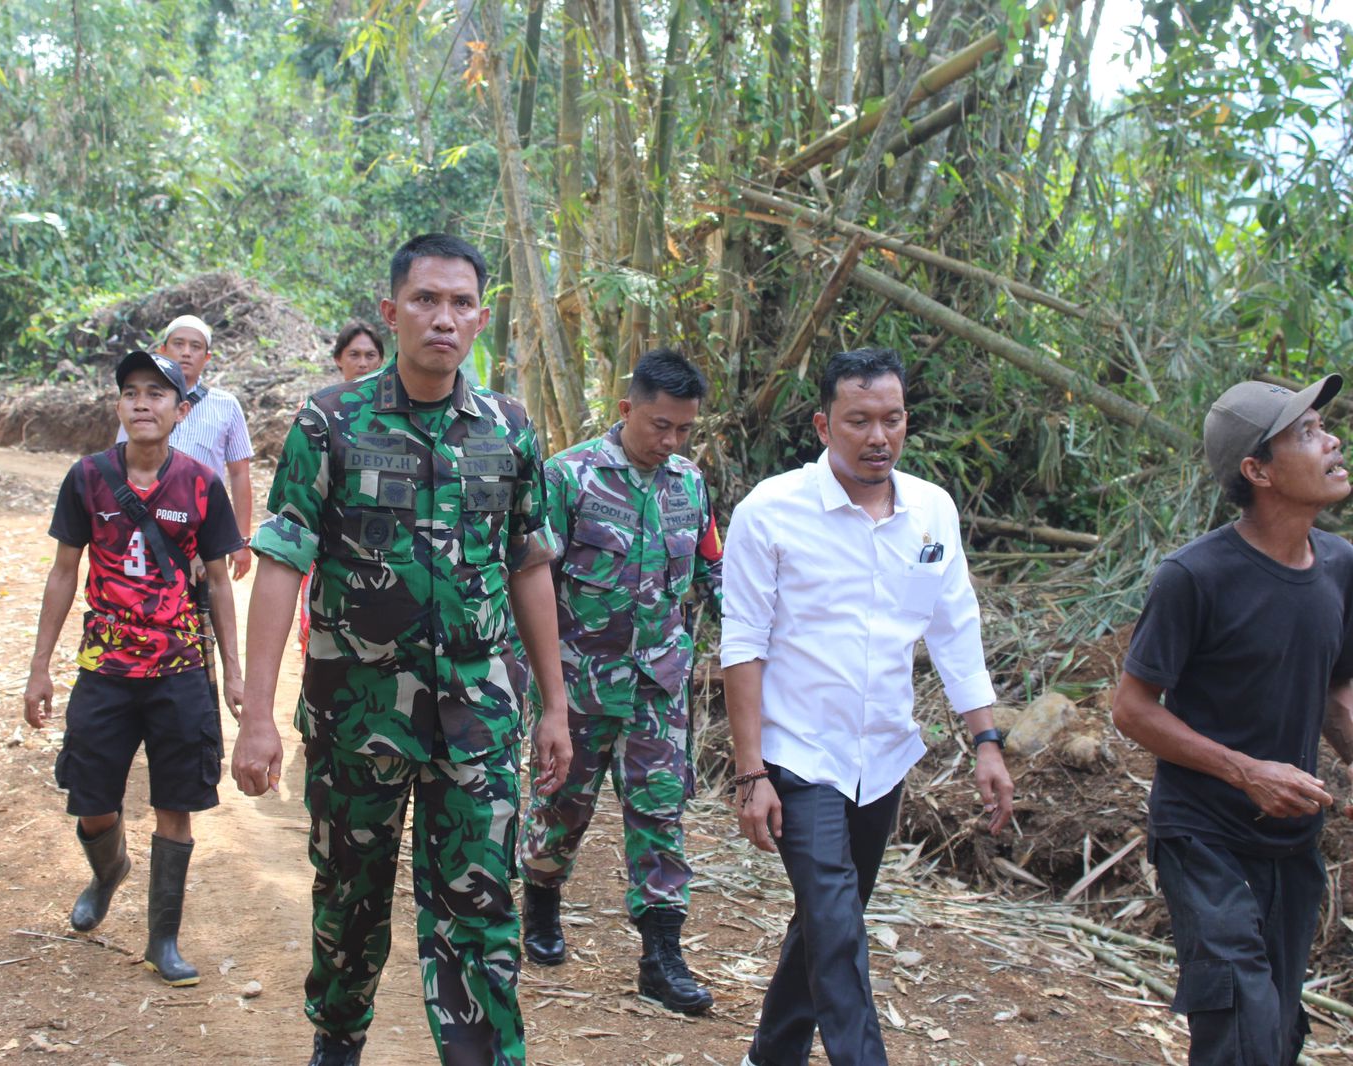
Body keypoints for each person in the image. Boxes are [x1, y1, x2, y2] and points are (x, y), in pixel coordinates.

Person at [230, 233, 574, 1066]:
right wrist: (258, 716)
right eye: (425, 300)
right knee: (349, 892)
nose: (443, 319)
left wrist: (555, 706)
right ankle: (338, 1037)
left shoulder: (509, 428)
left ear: (481, 318)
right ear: (391, 313)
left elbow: (529, 563)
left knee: (480, 906)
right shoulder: (332, 420)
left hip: (479, 717)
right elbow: (281, 561)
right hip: (359, 717)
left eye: (461, 304)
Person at [721, 347, 1014, 1066]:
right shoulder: (773, 510)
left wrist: (986, 740)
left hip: (882, 756)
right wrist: (750, 771)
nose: (877, 436)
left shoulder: (931, 512)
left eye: (892, 419)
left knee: (831, 922)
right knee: (836, 925)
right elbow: (743, 646)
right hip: (798, 754)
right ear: (825, 425)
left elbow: (954, 631)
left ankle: (772, 1054)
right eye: (858, 421)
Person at [1112, 375, 1353, 1066]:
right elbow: (1131, 708)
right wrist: (1245, 771)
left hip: (1291, 840)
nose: (1332, 440)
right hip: (1204, 834)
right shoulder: (1195, 577)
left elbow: (1337, 690)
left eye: (1324, 427)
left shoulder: (1339, 566)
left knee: (1276, 1032)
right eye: (1306, 433)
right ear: (1258, 471)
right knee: (1241, 1015)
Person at [24, 349, 245, 987]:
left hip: (179, 671)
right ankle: (108, 869)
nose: (142, 402)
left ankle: (162, 939)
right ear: (119, 407)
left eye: (157, 393)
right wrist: (40, 668)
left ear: (182, 409)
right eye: (131, 392)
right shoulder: (88, 477)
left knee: (178, 802)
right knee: (91, 801)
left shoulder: (203, 483)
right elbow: (64, 572)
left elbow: (221, 585)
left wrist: (232, 671)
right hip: (105, 668)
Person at [517, 347, 722, 1015]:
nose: (671, 441)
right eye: (660, 425)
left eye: (685, 429)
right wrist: (540, 688)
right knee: (562, 810)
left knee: (660, 815)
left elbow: (712, 576)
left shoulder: (690, 485)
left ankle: (661, 954)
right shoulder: (567, 478)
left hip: (658, 685)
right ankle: (542, 896)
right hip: (579, 684)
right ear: (627, 408)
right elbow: (532, 579)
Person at [116, 315, 255, 580]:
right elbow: (120, 462)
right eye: (179, 344)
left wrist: (241, 539)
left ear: (207, 358)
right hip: (143, 526)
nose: (186, 352)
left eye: (195, 346)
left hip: (201, 529)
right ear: (163, 350)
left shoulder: (226, 405)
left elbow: (239, 473)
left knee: (203, 607)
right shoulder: (140, 404)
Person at [283, 321, 390, 656]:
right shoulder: (318, 412)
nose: (362, 362)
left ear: (381, 360)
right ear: (338, 360)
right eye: (354, 354)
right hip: (329, 537)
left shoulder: (392, 414)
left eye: (370, 355)